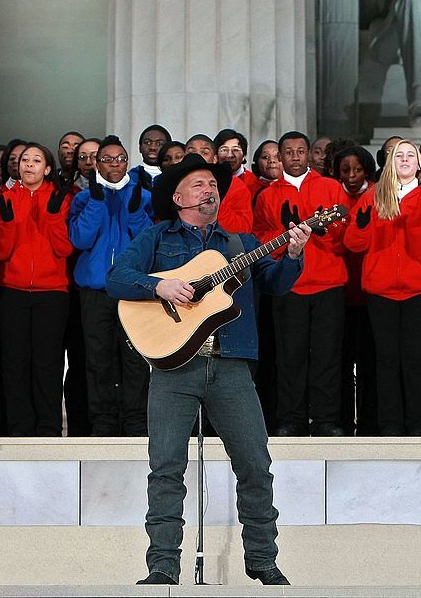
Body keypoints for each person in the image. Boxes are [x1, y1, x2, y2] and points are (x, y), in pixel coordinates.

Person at [106, 152, 310, 587]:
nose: (209, 189)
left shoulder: (239, 243)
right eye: (198, 184)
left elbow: (276, 284)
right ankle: (162, 566)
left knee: (255, 465)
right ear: (177, 197)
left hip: (232, 365)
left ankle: (262, 559)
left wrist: (292, 253)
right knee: (166, 469)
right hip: (174, 368)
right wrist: (158, 284)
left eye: (213, 184)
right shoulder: (157, 237)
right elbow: (117, 278)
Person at [344, 139, 421, 435]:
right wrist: (363, 224)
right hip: (381, 289)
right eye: (398, 155)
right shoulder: (374, 197)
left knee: (416, 358)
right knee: (387, 359)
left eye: (410, 155)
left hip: (419, 289)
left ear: (418, 163)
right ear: (390, 163)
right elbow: (354, 244)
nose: (404, 159)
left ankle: (419, 425)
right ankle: (390, 425)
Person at [253, 131, 348, 436]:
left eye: (300, 151)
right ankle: (290, 419)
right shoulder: (268, 195)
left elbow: (346, 237)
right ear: (279, 158)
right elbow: (259, 241)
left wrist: (325, 233)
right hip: (288, 286)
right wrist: (284, 236)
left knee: (327, 355)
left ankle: (325, 420)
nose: (295, 157)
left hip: (328, 282)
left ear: (309, 155)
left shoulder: (331, 187)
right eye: (288, 152)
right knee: (289, 355)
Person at [68, 135, 153, 435]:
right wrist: (95, 202)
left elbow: (148, 245)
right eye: (107, 159)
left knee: (135, 359)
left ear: (127, 162)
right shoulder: (84, 197)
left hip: (133, 291)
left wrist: (135, 212)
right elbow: (80, 239)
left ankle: (135, 420)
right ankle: (103, 421)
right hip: (95, 290)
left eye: (120, 159)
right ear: (96, 163)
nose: (114, 164)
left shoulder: (142, 195)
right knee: (98, 359)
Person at [0, 143, 74, 436]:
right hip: (12, 290)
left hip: (52, 291)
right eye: (25, 160)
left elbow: (64, 248)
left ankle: (48, 427)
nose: (29, 165)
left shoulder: (61, 198)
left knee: (47, 363)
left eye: (36, 160)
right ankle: (18, 428)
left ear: (47, 168)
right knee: (14, 362)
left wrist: (52, 217)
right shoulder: (3, 198)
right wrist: (9, 224)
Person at [333, 145, 378, 434]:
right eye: (345, 170)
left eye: (357, 169)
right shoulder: (333, 195)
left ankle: (371, 421)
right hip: (340, 287)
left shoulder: (377, 193)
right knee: (340, 359)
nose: (351, 175)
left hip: (372, 287)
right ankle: (342, 421)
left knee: (371, 360)